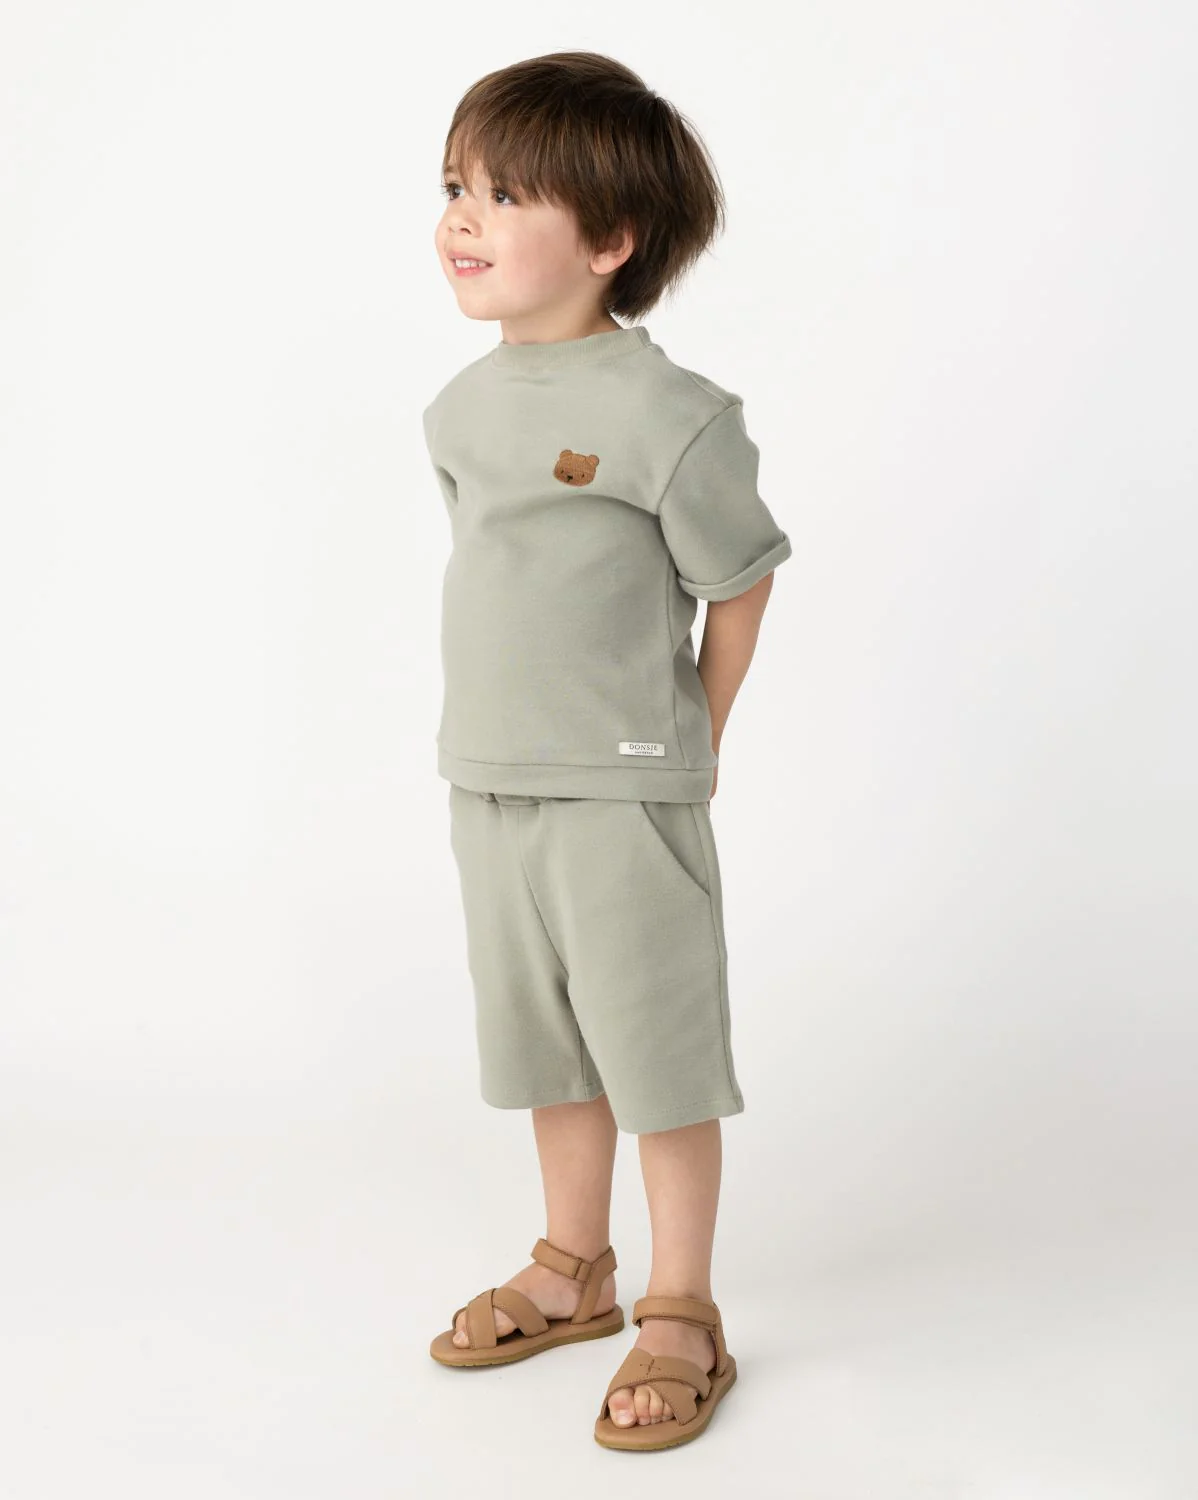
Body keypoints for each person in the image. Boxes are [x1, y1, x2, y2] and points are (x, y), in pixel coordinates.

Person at [421, 50, 792, 1452]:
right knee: (550, 1045)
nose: (463, 217)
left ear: (610, 241)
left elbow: (740, 579)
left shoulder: (671, 416)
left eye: (507, 194)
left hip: (623, 787)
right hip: (488, 780)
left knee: (657, 1051)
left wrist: (696, 733)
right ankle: (573, 1265)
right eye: (455, 186)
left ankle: (682, 1307)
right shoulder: (459, 410)